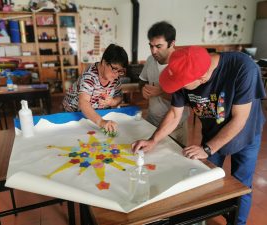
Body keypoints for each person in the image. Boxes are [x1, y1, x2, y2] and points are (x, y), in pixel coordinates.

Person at [132, 46, 266, 225]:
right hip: (213, 130)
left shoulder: (243, 67)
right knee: (203, 179)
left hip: (246, 132)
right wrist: (153, 140)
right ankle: (201, 219)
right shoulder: (184, 67)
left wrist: (207, 148)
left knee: (241, 186)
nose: (179, 88)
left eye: (183, 84)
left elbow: (239, 120)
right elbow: (174, 114)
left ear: (203, 78)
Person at [139, 21, 189, 145]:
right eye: (151, 46)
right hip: (151, 121)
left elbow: (188, 100)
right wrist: (142, 89)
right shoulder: (151, 60)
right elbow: (142, 80)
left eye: (159, 46)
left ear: (172, 43)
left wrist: (161, 93)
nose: (153, 51)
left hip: (175, 127)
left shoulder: (182, 64)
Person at [62, 43, 128, 133]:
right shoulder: (90, 75)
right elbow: (83, 102)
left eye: (120, 71)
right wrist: (101, 122)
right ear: (104, 62)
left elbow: (119, 96)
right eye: (114, 69)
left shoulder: (115, 76)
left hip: (96, 114)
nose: (116, 75)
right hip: (75, 113)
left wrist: (113, 102)